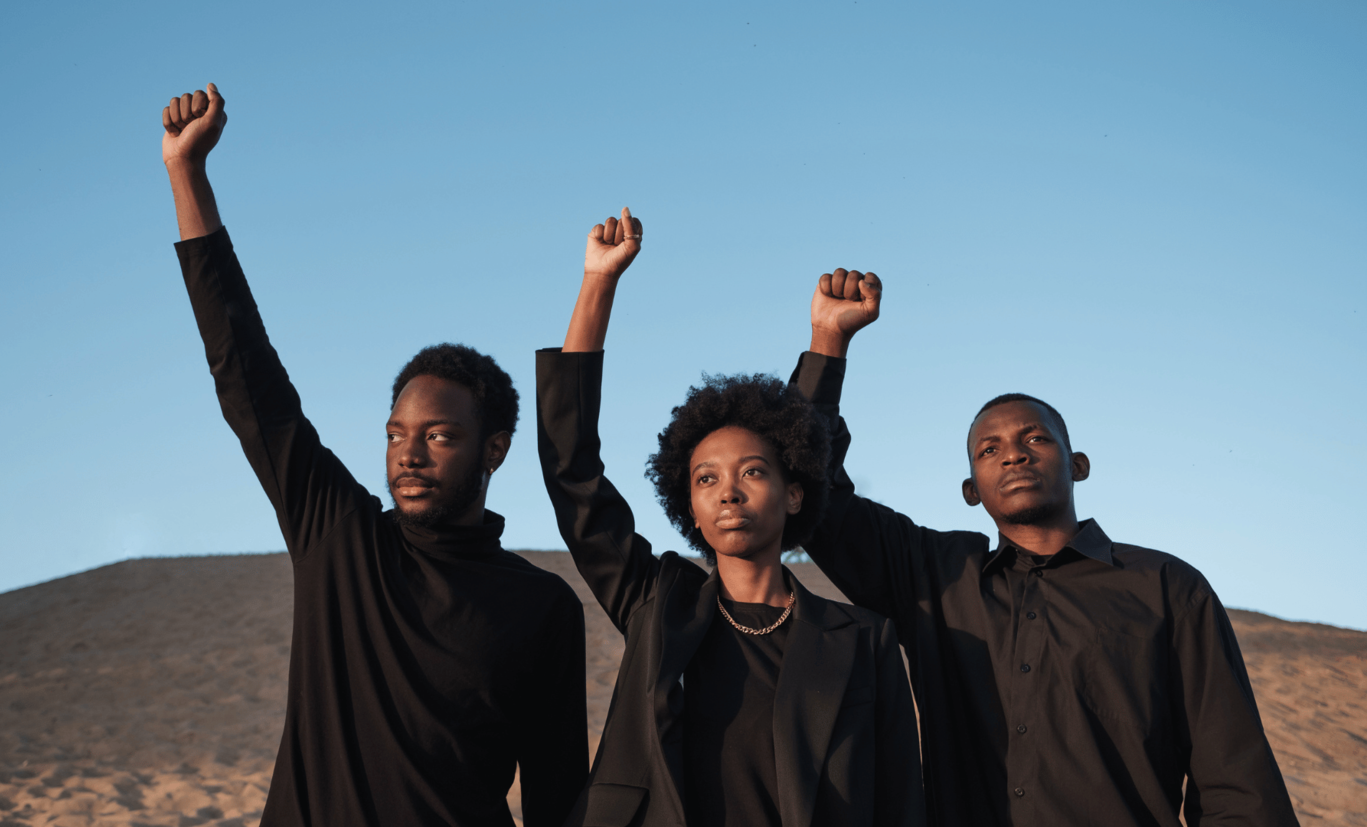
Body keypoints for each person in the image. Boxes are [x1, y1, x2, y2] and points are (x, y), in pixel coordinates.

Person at [160, 84, 587, 827]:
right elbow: (246, 372)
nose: (409, 455)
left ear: (494, 448)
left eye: (438, 436)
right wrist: (187, 175)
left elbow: (558, 798)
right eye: (395, 434)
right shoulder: (339, 536)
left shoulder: (541, 605)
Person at [787, 269, 1300, 826]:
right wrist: (828, 342)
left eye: (1034, 438)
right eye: (988, 449)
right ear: (970, 490)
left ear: (1077, 464)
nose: (1013, 454)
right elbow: (811, 498)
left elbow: (1237, 788)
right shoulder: (937, 579)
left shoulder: (1166, 587)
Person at [535, 211, 924, 827]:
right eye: (706, 478)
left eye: (753, 472)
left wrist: (828, 344)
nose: (728, 492)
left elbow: (900, 804)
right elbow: (572, 473)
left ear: (795, 493)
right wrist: (597, 284)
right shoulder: (656, 605)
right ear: (687, 503)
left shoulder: (862, 639)